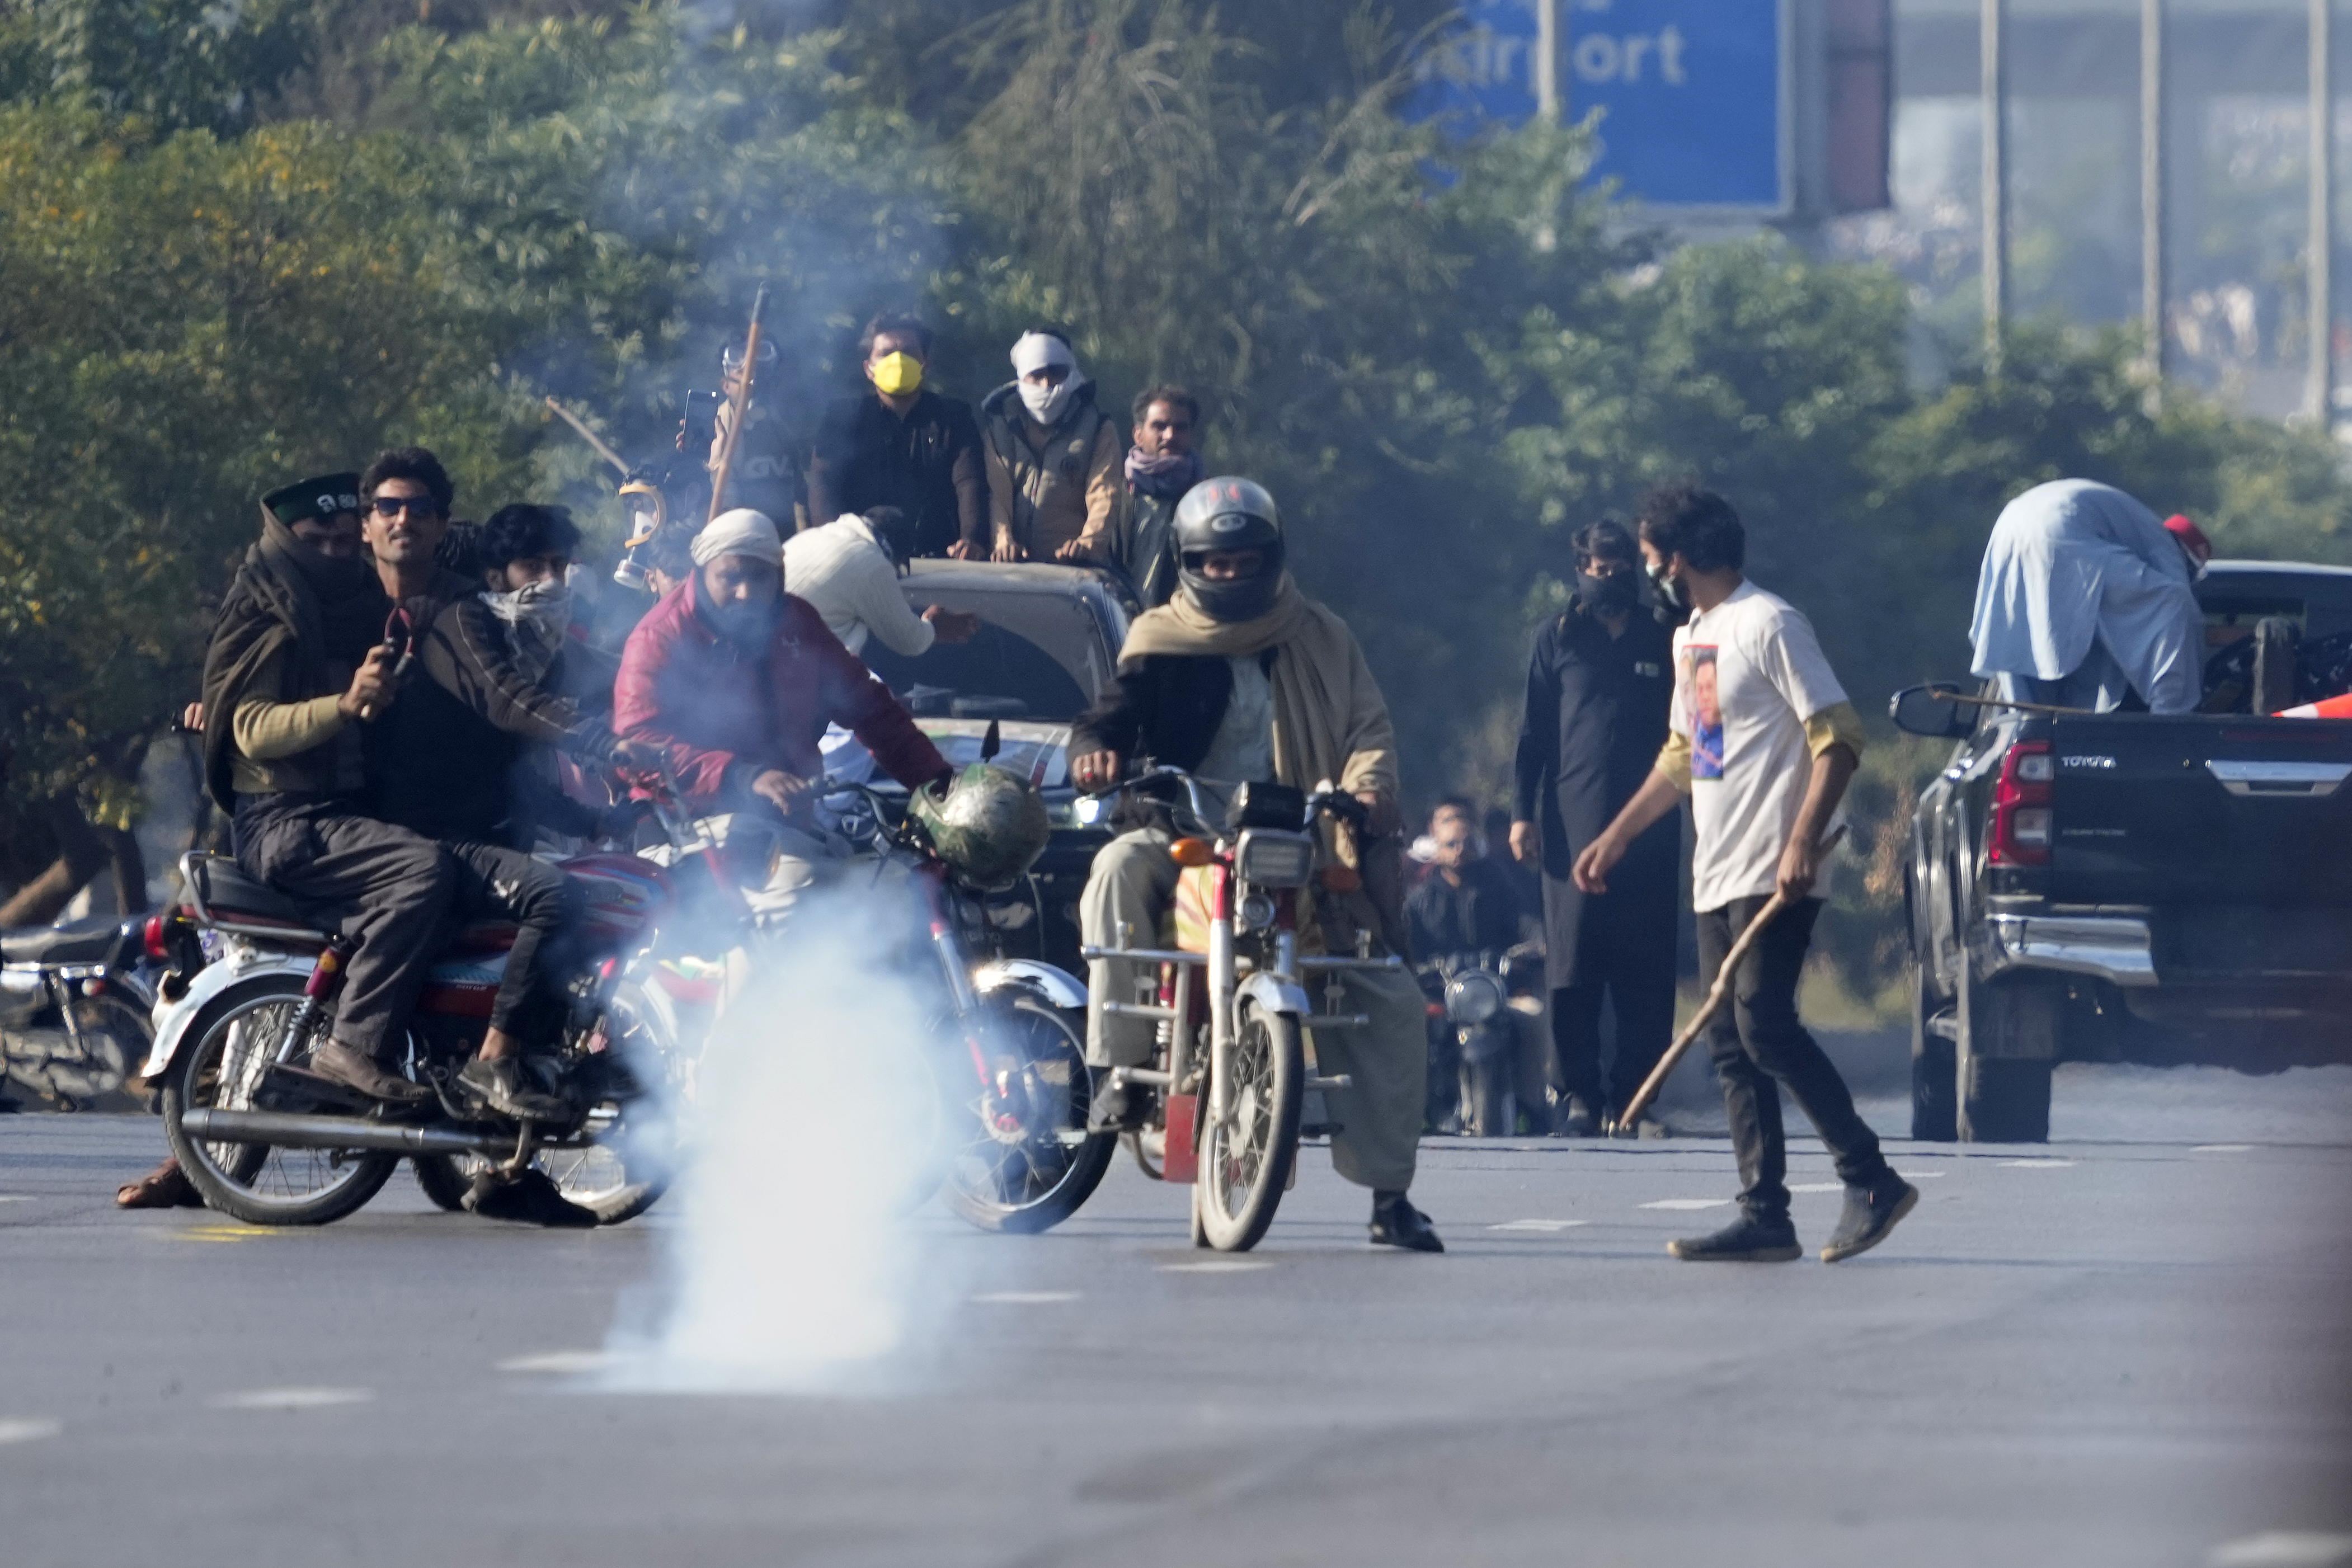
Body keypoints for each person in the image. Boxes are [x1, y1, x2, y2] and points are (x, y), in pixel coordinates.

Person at [1067, 478, 1442, 1253]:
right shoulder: (1158, 634)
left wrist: (1368, 787)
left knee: (1393, 998)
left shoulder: (1321, 633)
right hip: (1181, 831)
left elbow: (1368, 726)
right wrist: (1094, 751)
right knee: (1113, 868)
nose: (1232, 574)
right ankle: (1116, 1061)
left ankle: (1391, 1194)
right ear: (1187, 560)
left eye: (1246, 560)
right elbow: (1111, 713)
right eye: (1216, 561)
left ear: (1273, 557)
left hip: (1298, 839)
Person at [1574, 483, 1916, 1264]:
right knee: (1731, 1040)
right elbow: (1687, 753)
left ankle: (1871, 1179)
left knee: (1765, 1022)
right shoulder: (1695, 634)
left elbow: (1839, 732)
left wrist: (1802, 840)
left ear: (1683, 557)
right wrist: (1617, 836)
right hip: (1717, 865)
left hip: (1776, 864)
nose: (1650, 574)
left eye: (1654, 559)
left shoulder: (1770, 622)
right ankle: (1765, 1213)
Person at [357, 451, 633, 1124]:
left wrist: (596, 819)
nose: (549, 581)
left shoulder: (541, 646)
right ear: (492, 574)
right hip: (433, 830)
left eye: (560, 568)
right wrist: (603, 741)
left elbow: (507, 771)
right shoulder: (464, 621)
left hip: (483, 825)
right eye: (532, 567)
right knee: (557, 896)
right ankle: (496, 1059)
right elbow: (511, 708)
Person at [193, 470, 450, 1109]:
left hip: (345, 812)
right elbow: (249, 729)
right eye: (318, 541)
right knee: (422, 871)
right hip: (285, 819)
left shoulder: (359, 607)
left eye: (346, 542)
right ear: (287, 537)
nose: (335, 555)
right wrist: (342, 704)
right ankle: (354, 1048)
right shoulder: (267, 608)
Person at [611, 508, 951, 919]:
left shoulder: (798, 622)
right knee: (802, 893)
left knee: (894, 889)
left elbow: (871, 709)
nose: (745, 592)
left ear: (779, 575)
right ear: (701, 574)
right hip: (683, 831)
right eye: (730, 578)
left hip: (789, 825)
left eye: (760, 577)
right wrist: (742, 775)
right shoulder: (660, 636)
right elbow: (637, 747)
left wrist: (942, 788)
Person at [1510, 518, 1678, 1139]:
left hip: (1652, 826)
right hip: (1569, 824)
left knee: (1646, 965)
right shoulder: (1556, 638)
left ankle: (1636, 1099)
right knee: (1573, 964)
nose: (1608, 578)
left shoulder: (1664, 632)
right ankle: (1577, 1093)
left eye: (1618, 567)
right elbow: (1532, 736)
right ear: (1579, 568)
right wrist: (1522, 814)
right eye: (1597, 568)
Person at [1968, 478, 2205, 714]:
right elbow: (2178, 597)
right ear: (2185, 555)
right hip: (2059, 530)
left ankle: (2028, 719)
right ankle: (2171, 716)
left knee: (2022, 635)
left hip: (2009, 529)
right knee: (2172, 602)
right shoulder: (2163, 542)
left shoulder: (2128, 524)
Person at [1407, 798, 1550, 1136]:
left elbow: (1529, 925)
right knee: (1409, 1026)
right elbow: (1405, 943)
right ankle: (1417, 1106)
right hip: (1441, 997)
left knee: (1533, 1018)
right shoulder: (1420, 898)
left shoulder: (1504, 888)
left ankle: (1534, 1106)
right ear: (1437, 847)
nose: (1460, 851)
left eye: (1467, 843)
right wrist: (1417, 966)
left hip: (1500, 995)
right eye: (1451, 844)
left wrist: (1536, 947)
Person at [808, 313, 989, 560]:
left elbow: (969, 481)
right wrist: (831, 541)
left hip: (941, 559)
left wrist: (972, 538)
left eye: (909, 352)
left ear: (926, 364)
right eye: (885, 353)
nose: (898, 361)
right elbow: (824, 480)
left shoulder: (954, 417)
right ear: (868, 369)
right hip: (859, 557)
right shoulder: (844, 418)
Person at [980, 329, 1121, 563]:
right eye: (1037, 375)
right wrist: (1003, 541)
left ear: (1071, 374)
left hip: (1073, 571)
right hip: (1009, 570)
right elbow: (996, 494)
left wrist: (1088, 543)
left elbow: (1104, 494)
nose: (1047, 384)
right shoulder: (1000, 429)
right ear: (1022, 379)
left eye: (1056, 373)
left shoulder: (1097, 429)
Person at [780, 504, 982, 660]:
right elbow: (909, 641)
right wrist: (932, 625)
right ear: (897, 557)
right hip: (801, 674)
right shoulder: (872, 564)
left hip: (769, 656)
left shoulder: (812, 537)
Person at [1106, 385, 1203, 608]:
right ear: (1138, 435)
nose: (1170, 436)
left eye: (1180, 428)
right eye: (1159, 426)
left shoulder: (1203, 502)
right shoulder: (1112, 497)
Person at [704, 331, 806, 533]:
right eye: (742, 375)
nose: (752, 382)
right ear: (726, 385)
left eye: (758, 373)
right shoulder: (713, 429)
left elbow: (802, 495)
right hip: (737, 540)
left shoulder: (788, 424)